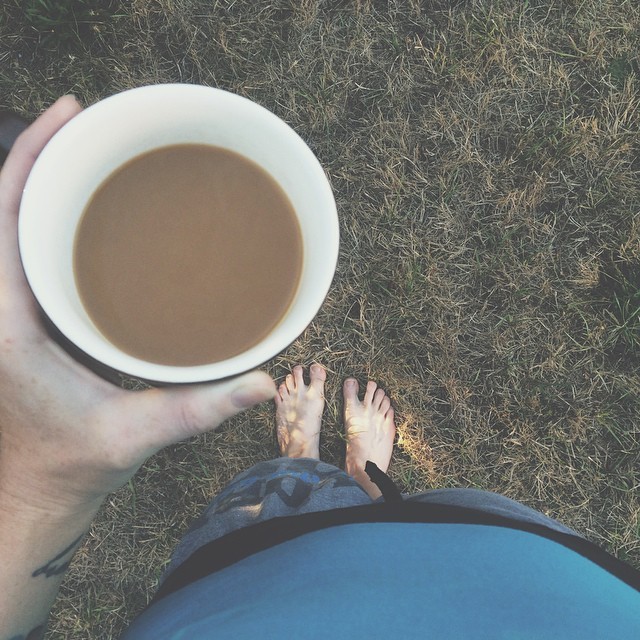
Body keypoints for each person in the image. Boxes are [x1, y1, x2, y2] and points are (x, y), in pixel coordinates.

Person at [1, 98, 638, 640]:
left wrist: (42, 490)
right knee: (389, 511)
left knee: (275, 508)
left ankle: (298, 466)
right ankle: (364, 478)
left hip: (246, 594)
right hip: (528, 584)